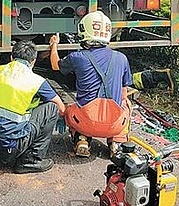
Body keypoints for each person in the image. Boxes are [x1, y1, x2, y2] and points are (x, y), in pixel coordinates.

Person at [0, 41, 66, 174]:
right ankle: (30, 160)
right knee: (51, 107)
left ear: (12, 57)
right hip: (8, 149)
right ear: (33, 61)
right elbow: (61, 109)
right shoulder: (36, 81)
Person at [49, 11, 133, 158]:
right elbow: (123, 95)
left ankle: (81, 139)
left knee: (69, 108)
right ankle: (116, 142)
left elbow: (56, 65)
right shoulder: (121, 58)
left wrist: (54, 45)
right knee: (126, 105)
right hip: (115, 125)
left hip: (84, 122)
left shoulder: (78, 57)